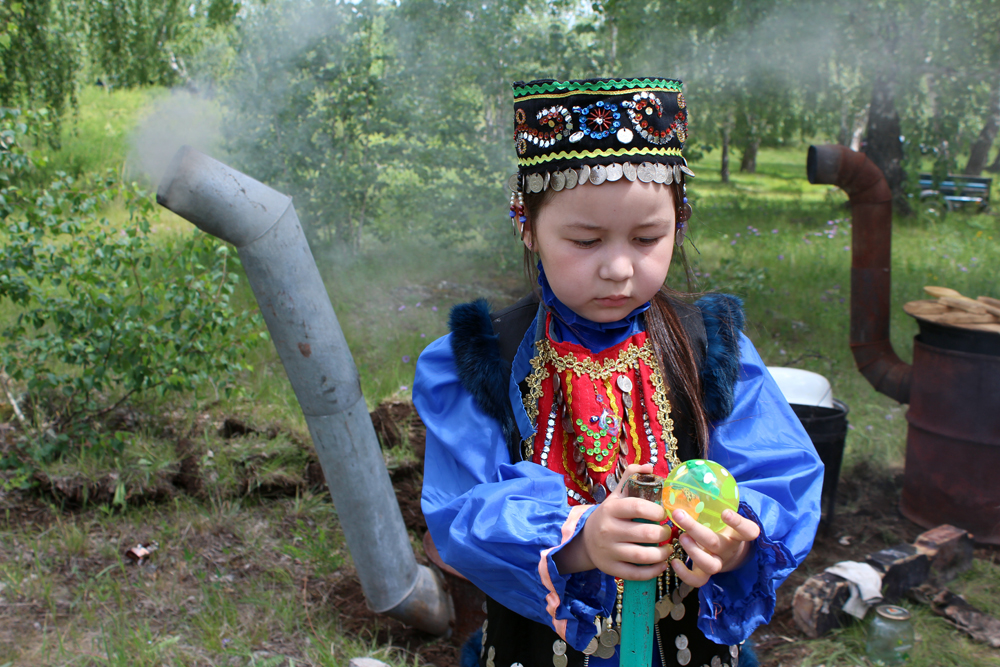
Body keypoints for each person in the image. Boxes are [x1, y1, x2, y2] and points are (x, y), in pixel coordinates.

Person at [415, 77, 823, 667]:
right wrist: (578, 540)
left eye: (647, 238)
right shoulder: (484, 356)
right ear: (527, 225)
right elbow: (459, 509)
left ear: (678, 223)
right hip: (538, 645)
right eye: (584, 240)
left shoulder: (712, 346)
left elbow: (778, 472)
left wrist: (734, 542)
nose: (618, 268)